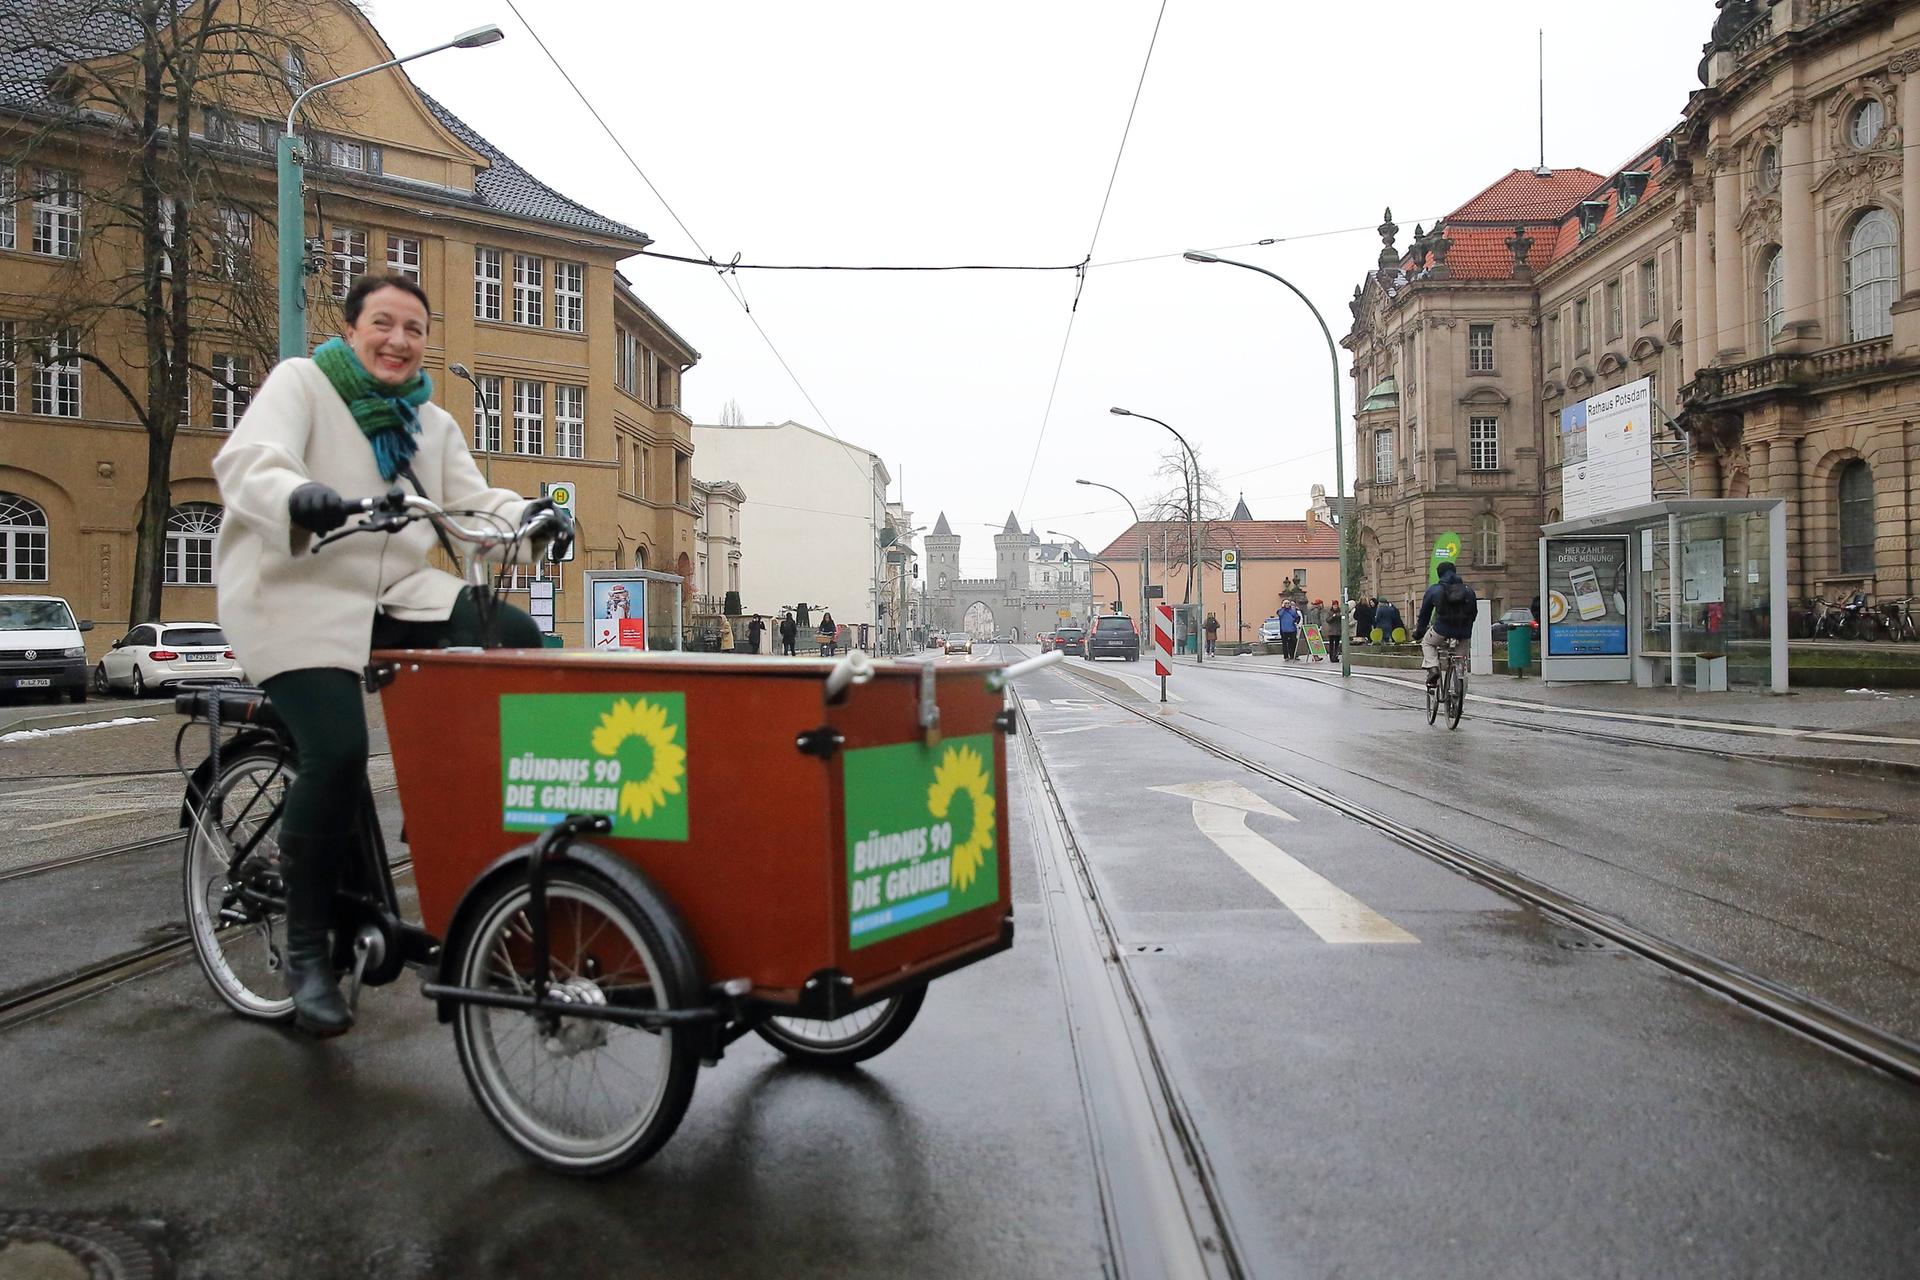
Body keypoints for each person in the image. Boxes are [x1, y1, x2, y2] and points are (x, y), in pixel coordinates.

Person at [213, 273, 567, 1039]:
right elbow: (250, 461)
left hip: (395, 593)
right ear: (351, 328)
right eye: (383, 322)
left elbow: (473, 508)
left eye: (413, 327)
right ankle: (309, 952)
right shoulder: (302, 384)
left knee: (512, 637)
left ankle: (449, 823)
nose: (398, 340)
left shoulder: (428, 421)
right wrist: (297, 497)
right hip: (293, 591)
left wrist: (536, 517)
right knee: (337, 752)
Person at [1414, 561, 1479, 686]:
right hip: (1464, 632)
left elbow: (1425, 614)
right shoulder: (1468, 590)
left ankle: (1433, 668)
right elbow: (1474, 613)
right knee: (1461, 664)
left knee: (1427, 643)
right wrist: (1466, 627)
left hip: (1441, 630)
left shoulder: (1434, 590)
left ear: (1439, 575)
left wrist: (1419, 632)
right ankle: (1459, 693)